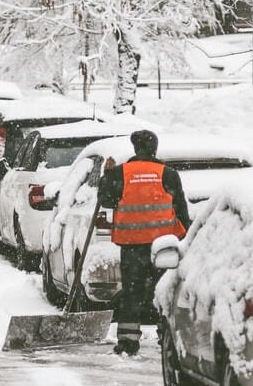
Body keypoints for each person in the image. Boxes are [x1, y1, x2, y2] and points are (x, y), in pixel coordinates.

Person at [98, 129, 191, 356]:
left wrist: (107, 176)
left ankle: (128, 343)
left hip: (132, 245)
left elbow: (107, 201)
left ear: (135, 148)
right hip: (163, 246)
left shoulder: (121, 173)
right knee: (164, 292)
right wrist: (186, 236)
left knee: (132, 293)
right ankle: (166, 337)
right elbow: (181, 208)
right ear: (154, 149)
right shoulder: (168, 174)